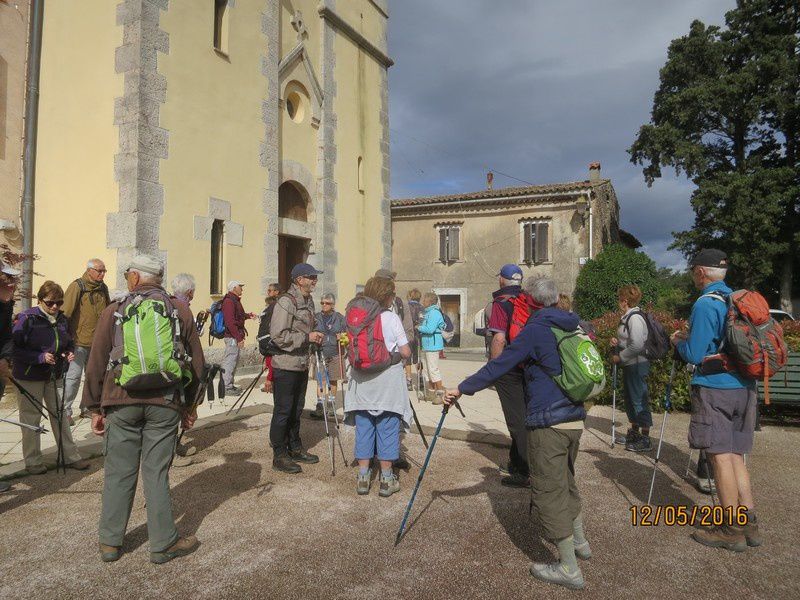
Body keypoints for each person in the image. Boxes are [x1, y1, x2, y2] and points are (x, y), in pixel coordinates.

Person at [445, 277, 590, 591]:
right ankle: (580, 543)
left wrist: (462, 388)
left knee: (549, 490)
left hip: (548, 420)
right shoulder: (573, 324)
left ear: (533, 302)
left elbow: (499, 365)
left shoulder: (536, 330)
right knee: (566, 480)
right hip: (575, 418)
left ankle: (568, 567)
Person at [82, 254, 205, 564]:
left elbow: (96, 362)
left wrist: (95, 407)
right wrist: (190, 405)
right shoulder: (180, 311)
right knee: (156, 472)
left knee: (118, 472)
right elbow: (197, 364)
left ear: (135, 279)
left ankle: (110, 542)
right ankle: (163, 543)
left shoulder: (114, 311)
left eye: (128, 275)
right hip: (164, 402)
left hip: (120, 399)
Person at [671, 249, 760, 551]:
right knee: (736, 455)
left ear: (701, 272)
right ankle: (748, 520)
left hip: (716, 386)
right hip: (745, 386)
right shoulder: (735, 300)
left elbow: (695, 354)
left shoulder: (706, 304)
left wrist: (679, 342)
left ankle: (729, 528)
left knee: (719, 456)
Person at [344, 276, 412, 497]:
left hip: (361, 382)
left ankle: (363, 478)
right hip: (387, 384)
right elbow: (405, 352)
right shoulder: (390, 317)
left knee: (364, 428)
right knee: (388, 429)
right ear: (388, 296)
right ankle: (386, 479)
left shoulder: (357, 316)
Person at [13, 281, 90, 474]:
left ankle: (71, 457)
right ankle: (33, 462)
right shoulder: (27, 318)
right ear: (40, 300)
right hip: (29, 376)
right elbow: (13, 349)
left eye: (59, 302)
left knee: (61, 415)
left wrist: (68, 352)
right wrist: (39, 357)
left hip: (54, 374)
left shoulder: (61, 319)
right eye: (50, 302)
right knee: (31, 418)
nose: (55, 306)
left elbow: (67, 342)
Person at [268, 263, 324, 473]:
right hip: (285, 364)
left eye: (315, 276)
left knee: (296, 410)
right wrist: (306, 337)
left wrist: (316, 334)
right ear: (299, 279)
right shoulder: (286, 301)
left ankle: (295, 447)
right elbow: (278, 335)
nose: (314, 280)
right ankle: (279, 454)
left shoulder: (308, 301)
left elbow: (311, 326)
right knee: (283, 411)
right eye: (311, 277)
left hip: (301, 364)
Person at [485, 264, 533, 486]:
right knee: (522, 414)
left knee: (516, 421)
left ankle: (525, 471)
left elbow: (499, 339)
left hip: (510, 369)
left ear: (502, 280)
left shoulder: (501, 303)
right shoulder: (527, 300)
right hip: (528, 366)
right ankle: (515, 462)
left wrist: (494, 369)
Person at [61, 258, 110, 425]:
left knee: (93, 378)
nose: (102, 274)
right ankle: (65, 411)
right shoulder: (77, 286)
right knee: (73, 378)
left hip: (98, 343)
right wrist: (65, 341)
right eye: (99, 271)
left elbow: (108, 312)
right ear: (89, 271)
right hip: (78, 342)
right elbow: (65, 313)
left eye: (104, 271)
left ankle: (88, 408)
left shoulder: (103, 288)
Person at [609, 285, 652, 452]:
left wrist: (620, 356)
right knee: (630, 399)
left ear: (625, 300)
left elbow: (637, 345)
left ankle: (646, 438)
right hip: (631, 364)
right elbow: (629, 341)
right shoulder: (628, 317)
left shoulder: (634, 318)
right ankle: (634, 433)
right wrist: (617, 342)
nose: (618, 302)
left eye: (619, 298)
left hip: (637, 364)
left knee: (638, 399)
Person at [170, 273, 202, 467]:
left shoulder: (166, 303)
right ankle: (171, 452)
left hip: (168, 363)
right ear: (190, 292)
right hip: (180, 364)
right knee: (176, 406)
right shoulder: (184, 309)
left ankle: (174, 446)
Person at [374, 269, 416, 388]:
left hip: (393, 365)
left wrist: (395, 350)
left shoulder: (401, 304)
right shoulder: (366, 304)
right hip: (369, 365)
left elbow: (409, 333)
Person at [0, 261, 20, 493]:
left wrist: (4, 359)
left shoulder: (5, 304)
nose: (11, 282)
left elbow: (6, 336)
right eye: (6, 277)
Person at [310, 293, 346, 420]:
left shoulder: (340, 318)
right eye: (322, 303)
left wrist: (342, 337)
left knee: (333, 380)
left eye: (327, 303)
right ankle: (320, 406)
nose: (324, 305)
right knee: (321, 380)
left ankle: (331, 404)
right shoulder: (316, 317)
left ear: (333, 304)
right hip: (320, 352)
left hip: (335, 353)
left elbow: (347, 334)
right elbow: (310, 332)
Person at [221, 280, 256, 395]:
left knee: (233, 360)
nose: (242, 289)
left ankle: (229, 385)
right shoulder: (229, 302)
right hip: (232, 337)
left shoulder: (234, 300)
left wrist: (248, 316)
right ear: (234, 288)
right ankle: (226, 387)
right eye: (240, 287)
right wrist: (238, 338)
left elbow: (238, 316)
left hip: (234, 336)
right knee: (230, 361)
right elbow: (230, 322)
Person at [417, 291, 446, 403]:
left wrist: (418, 327)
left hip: (432, 345)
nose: (423, 301)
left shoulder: (434, 313)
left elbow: (430, 329)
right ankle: (430, 393)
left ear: (429, 301)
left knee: (433, 370)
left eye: (424, 299)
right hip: (426, 344)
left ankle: (440, 395)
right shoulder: (428, 312)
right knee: (427, 371)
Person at [258, 283, 281, 393]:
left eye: (270, 290)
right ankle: (270, 383)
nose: (268, 292)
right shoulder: (270, 304)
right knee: (268, 359)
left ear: (277, 292)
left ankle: (271, 383)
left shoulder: (277, 304)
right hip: (264, 337)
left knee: (272, 360)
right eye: (268, 290)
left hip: (269, 337)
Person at [406, 288, 423, 388]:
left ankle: (409, 379)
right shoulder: (422, 308)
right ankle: (420, 377)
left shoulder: (406, 307)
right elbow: (422, 320)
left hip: (408, 335)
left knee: (407, 358)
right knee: (418, 357)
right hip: (418, 334)